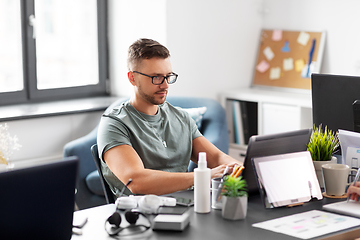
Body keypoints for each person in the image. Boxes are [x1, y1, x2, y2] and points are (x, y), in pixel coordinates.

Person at [97, 38, 241, 197]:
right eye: (156, 77)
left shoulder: (181, 117)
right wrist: (202, 177)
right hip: (143, 216)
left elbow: (216, 157)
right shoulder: (114, 124)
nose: (165, 85)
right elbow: (136, 181)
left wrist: (240, 168)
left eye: (168, 76)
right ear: (132, 78)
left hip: (190, 210)